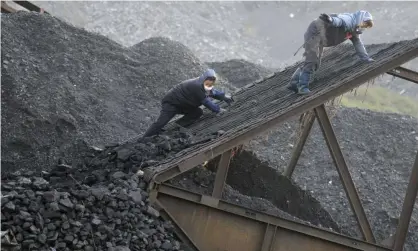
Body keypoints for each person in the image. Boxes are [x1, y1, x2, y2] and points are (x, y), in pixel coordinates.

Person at [288, 10, 375, 95]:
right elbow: (339, 21)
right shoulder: (348, 20)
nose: (364, 27)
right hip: (315, 32)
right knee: (312, 61)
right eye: (364, 23)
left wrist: (366, 58)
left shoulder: (355, 30)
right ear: (360, 20)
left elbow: (358, 43)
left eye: (366, 26)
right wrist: (330, 19)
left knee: (316, 64)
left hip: (322, 38)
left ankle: (294, 83)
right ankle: (302, 87)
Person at [143, 69, 234, 137]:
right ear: (204, 78)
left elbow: (213, 92)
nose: (210, 82)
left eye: (212, 80)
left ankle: (177, 127)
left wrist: (225, 97)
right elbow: (206, 102)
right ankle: (144, 138)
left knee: (197, 112)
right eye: (209, 79)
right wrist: (218, 110)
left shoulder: (205, 85)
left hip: (184, 104)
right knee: (160, 123)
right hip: (172, 103)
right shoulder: (196, 86)